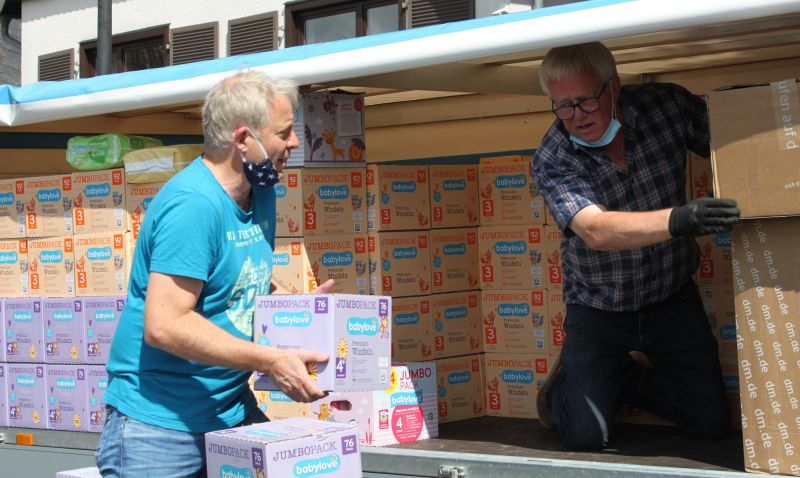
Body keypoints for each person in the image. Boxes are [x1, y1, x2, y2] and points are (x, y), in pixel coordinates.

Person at [96, 71, 333, 477]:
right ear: (243, 140)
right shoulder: (192, 206)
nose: (294, 142)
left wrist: (293, 306)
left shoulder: (261, 192)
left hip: (230, 409)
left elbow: (234, 276)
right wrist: (271, 360)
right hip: (160, 428)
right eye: (285, 132)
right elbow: (165, 325)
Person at [532, 42, 740, 451]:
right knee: (586, 437)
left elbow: (734, 137)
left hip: (671, 296)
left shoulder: (668, 107)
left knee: (710, 424)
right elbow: (595, 229)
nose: (577, 116)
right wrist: (679, 219)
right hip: (598, 306)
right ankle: (569, 387)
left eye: (587, 101)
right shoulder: (553, 155)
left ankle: (619, 378)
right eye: (564, 106)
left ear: (615, 87)